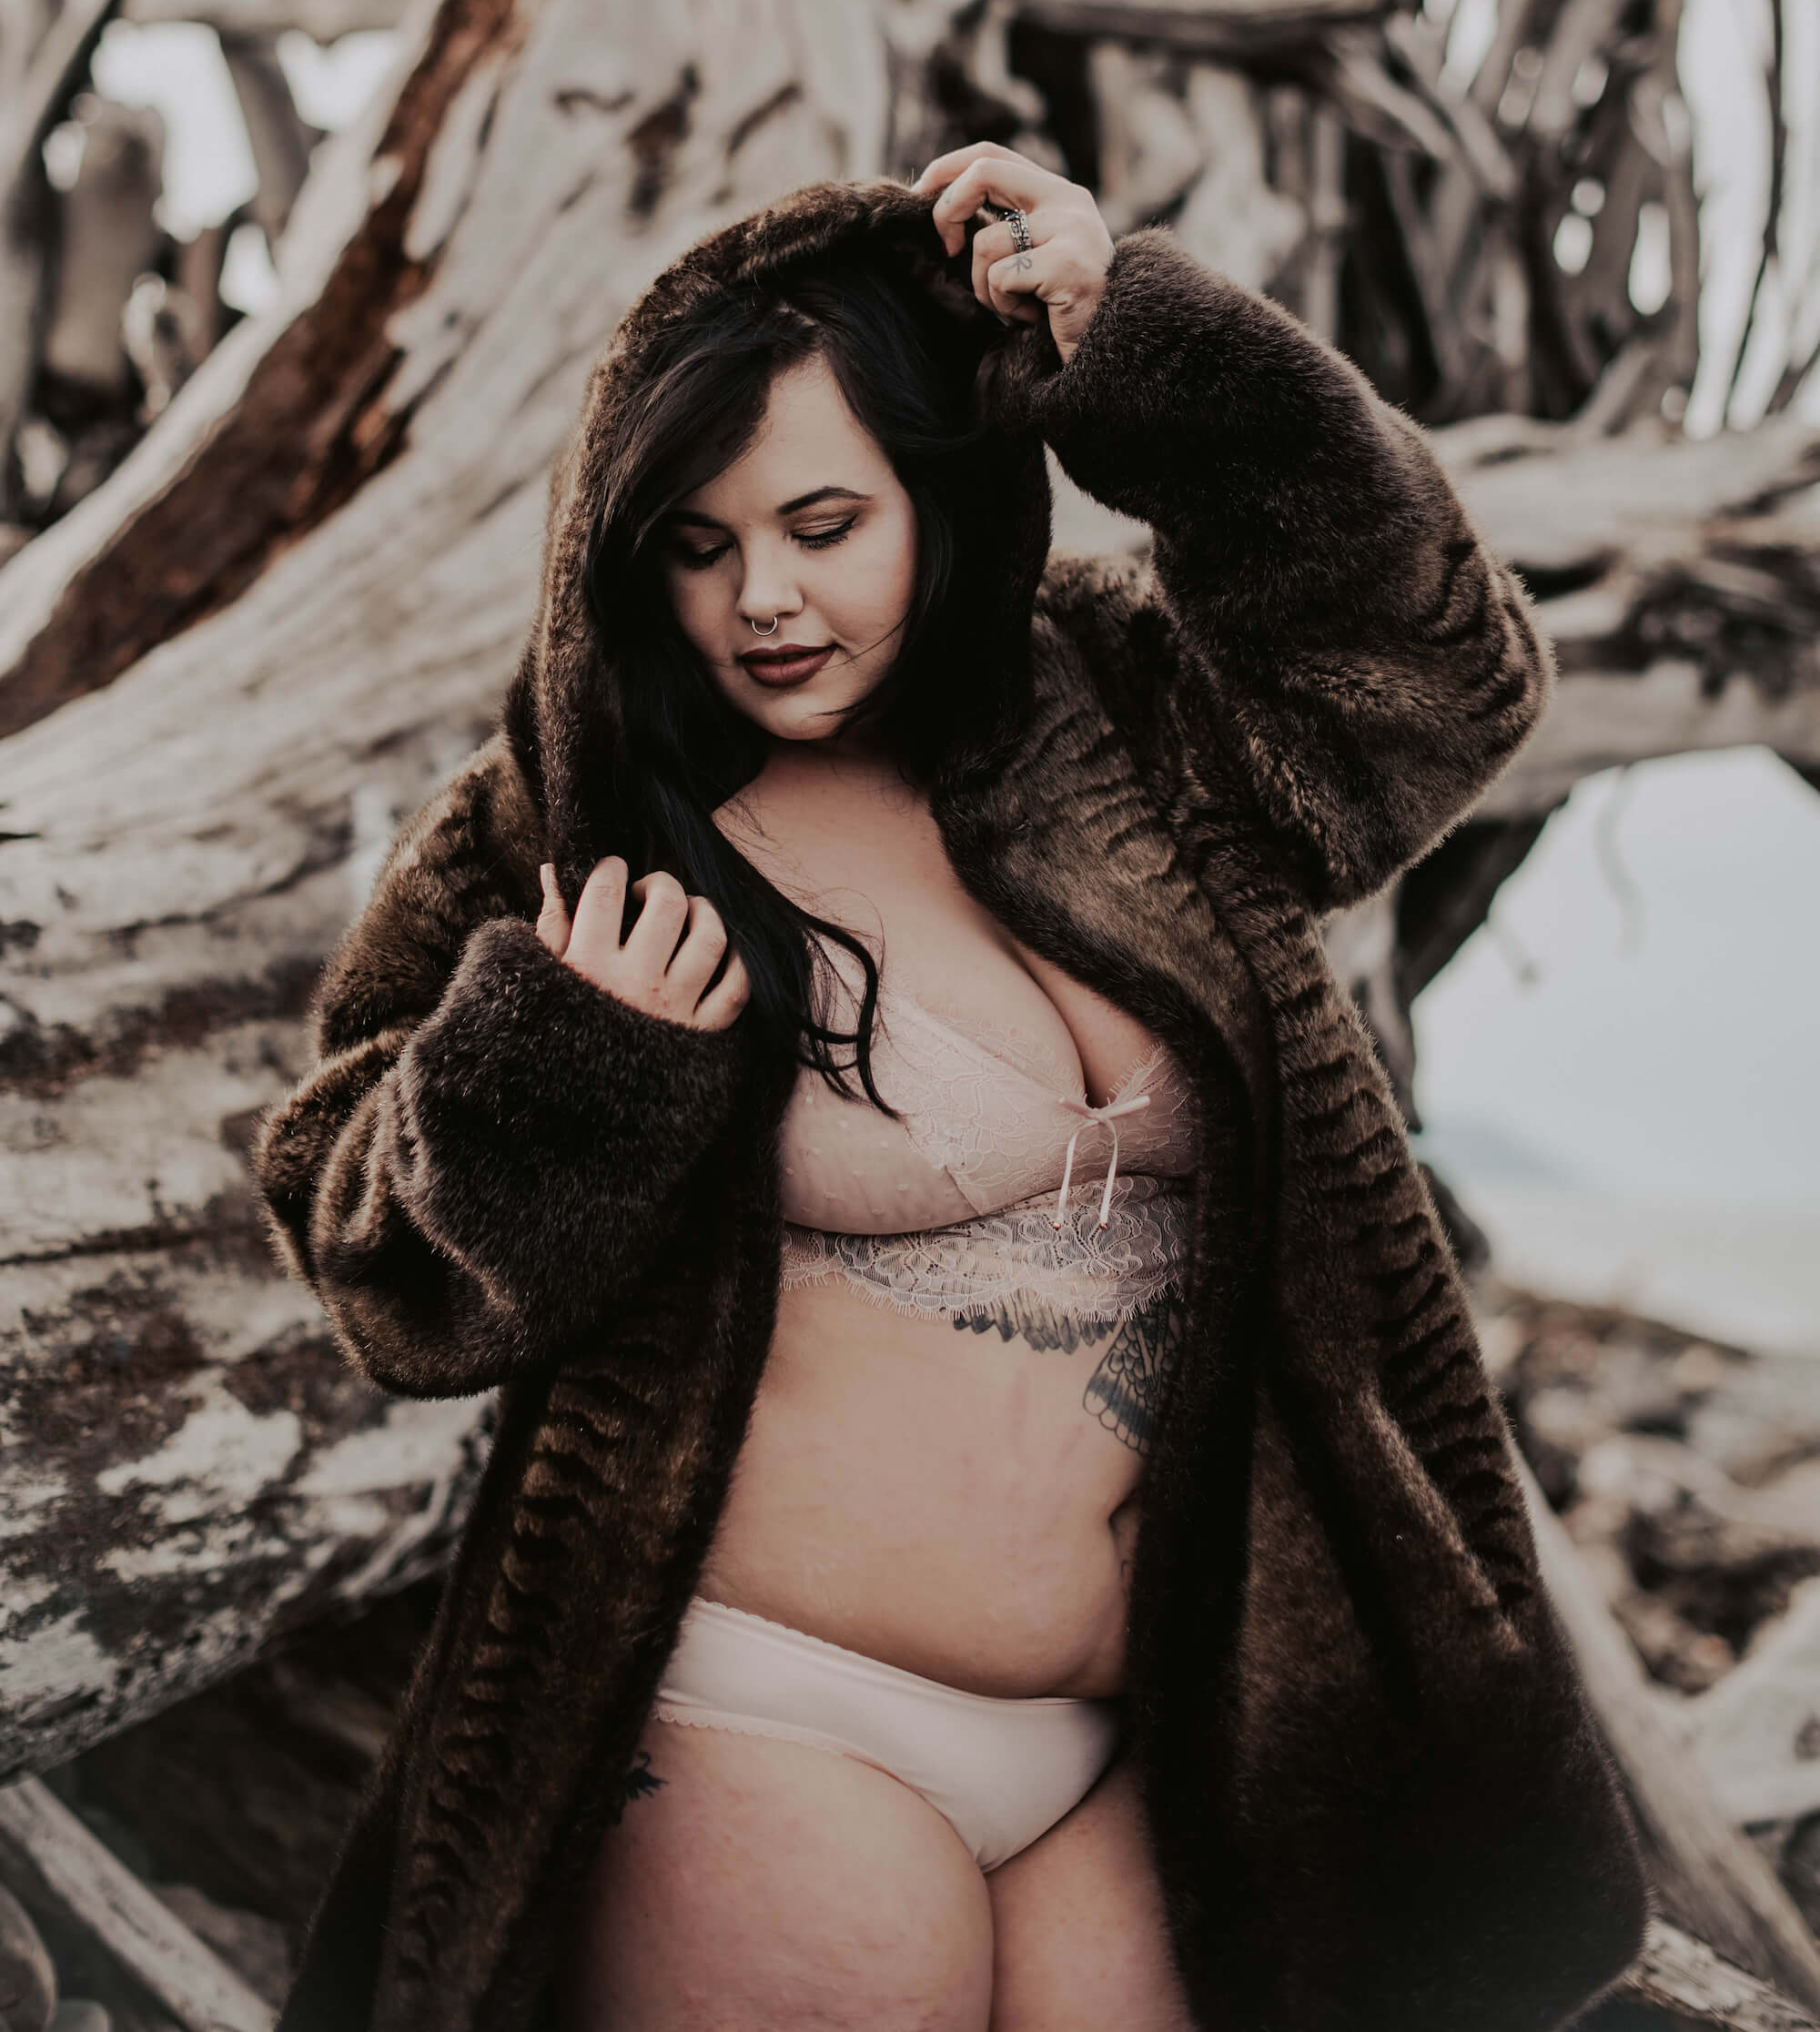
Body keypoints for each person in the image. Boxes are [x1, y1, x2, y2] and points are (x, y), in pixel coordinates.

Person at [255, 144, 1647, 2032]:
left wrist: (1141, 345)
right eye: (697, 541)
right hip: (762, 1712)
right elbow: (373, 1256)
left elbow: (1437, 677)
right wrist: (568, 1064)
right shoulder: (581, 818)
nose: (761, 599)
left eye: (825, 522)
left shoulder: (1124, 706)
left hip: (1146, 1739)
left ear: (939, 489)